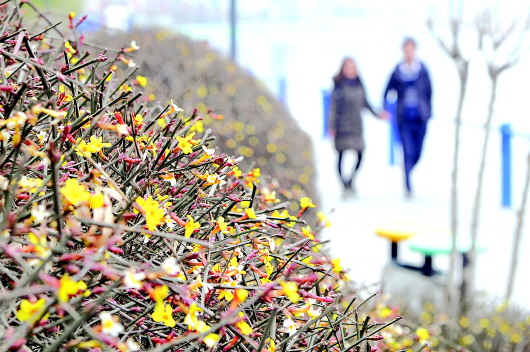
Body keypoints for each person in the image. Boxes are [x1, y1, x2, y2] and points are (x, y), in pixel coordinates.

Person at [329, 57, 385, 197]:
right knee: (341, 156)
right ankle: (344, 185)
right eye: (347, 67)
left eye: (352, 67)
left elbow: (366, 103)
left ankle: (350, 181)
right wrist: (331, 127)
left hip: (356, 126)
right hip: (342, 126)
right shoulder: (338, 86)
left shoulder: (359, 85)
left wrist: (378, 115)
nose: (350, 69)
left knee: (360, 154)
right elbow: (333, 108)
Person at [384, 37, 432, 197]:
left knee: (417, 152)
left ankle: (407, 170)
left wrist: (428, 110)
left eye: (412, 48)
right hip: (404, 118)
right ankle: (407, 184)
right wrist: (385, 108)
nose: (409, 51)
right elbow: (387, 90)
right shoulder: (397, 71)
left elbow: (430, 91)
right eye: (407, 48)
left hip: (420, 117)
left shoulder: (422, 69)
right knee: (407, 150)